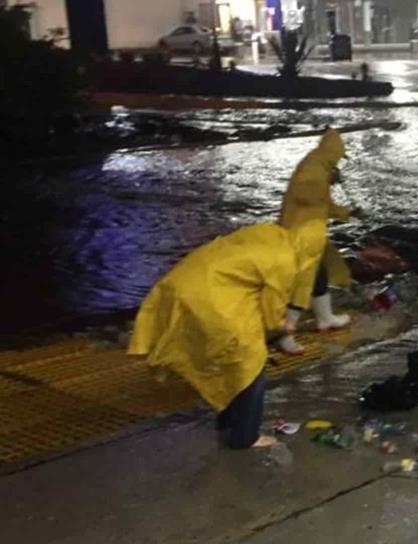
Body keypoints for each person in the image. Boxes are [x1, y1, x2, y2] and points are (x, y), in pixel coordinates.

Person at [128, 220, 328, 449]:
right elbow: (272, 311)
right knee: (251, 364)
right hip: (211, 299)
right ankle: (245, 436)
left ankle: (227, 420)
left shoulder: (269, 231)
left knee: (227, 360)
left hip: (184, 282)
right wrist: (283, 326)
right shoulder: (285, 261)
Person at [276, 128, 360, 354]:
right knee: (300, 287)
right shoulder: (314, 169)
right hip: (300, 235)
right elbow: (306, 194)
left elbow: (323, 205)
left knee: (319, 276)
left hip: (312, 233)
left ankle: (325, 317)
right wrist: (327, 180)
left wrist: (348, 212)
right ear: (332, 153)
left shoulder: (320, 165)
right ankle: (285, 336)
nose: (339, 164)